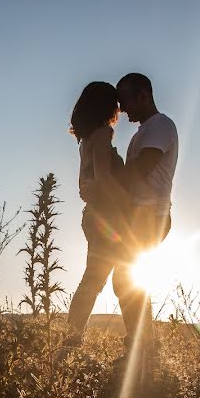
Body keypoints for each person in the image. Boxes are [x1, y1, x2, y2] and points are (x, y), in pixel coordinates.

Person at [65, 74, 178, 377]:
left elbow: (139, 170)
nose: (123, 109)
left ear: (143, 94)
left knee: (120, 282)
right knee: (119, 282)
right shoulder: (115, 135)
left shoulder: (161, 126)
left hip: (146, 216)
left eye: (125, 100)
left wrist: (98, 187)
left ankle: (139, 353)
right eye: (117, 103)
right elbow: (107, 177)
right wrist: (101, 187)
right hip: (121, 216)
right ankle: (140, 352)